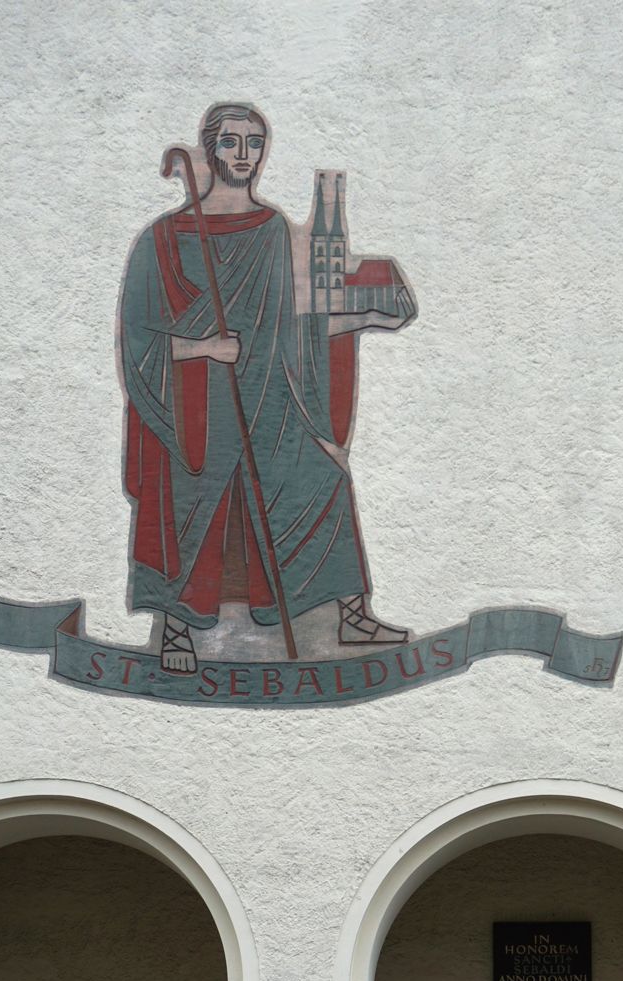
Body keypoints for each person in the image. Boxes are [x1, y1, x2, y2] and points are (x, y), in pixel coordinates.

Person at [119, 103, 415, 673]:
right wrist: (203, 348)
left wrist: (360, 320)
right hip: (192, 408)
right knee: (189, 494)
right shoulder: (163, 240)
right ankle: (177, 628)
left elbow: (287, 325)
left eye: (254, 143)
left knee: (322, 474)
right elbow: (138, 340)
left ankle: (351, 616)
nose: (244, 155)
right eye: (231, 143)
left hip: (263, 396)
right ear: (209, 151)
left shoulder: (270, 229)